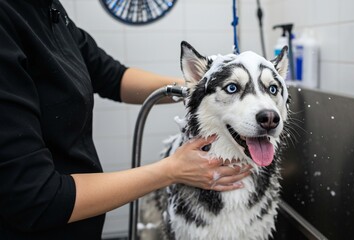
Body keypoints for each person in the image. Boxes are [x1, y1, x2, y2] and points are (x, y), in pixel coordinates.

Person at [0, 0, 252, 239]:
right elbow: (36, 196)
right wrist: (171, 170)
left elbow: (112, 76)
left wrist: (202, 88)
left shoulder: (49, 9)